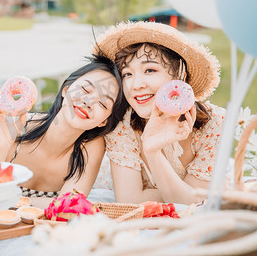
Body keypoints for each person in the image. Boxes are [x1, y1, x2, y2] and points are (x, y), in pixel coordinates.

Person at [93, 21, 226, 205]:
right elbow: (129, 201)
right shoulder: (121, 123)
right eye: (127, 74)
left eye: (150, 70)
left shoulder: (214, 122)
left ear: (180, 74)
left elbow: (192, 203)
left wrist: (153, 152)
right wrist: (185, 190)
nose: (136, 85)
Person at [0, 54, 126, 208]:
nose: (88, 102)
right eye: (85, 89)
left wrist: (8, 201)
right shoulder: (6, 125)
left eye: (103, 103)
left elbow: (68, 207)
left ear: (104, 121)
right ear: (66, 89)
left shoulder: (91, 146)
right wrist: (0, 147)